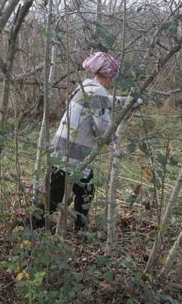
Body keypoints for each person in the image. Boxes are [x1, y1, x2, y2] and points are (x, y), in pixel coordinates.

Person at [33, 51, 135, 229]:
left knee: (82, 190)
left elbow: (104, 102)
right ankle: (34, 227)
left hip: (63, 149)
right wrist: (115, 142)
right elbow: (103, 125)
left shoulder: (86, 87)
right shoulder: (98, 93)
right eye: (113, 77)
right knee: (57, 196)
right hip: (72, 153)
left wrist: (125, 101)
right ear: (108, 76)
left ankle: (77, 228)